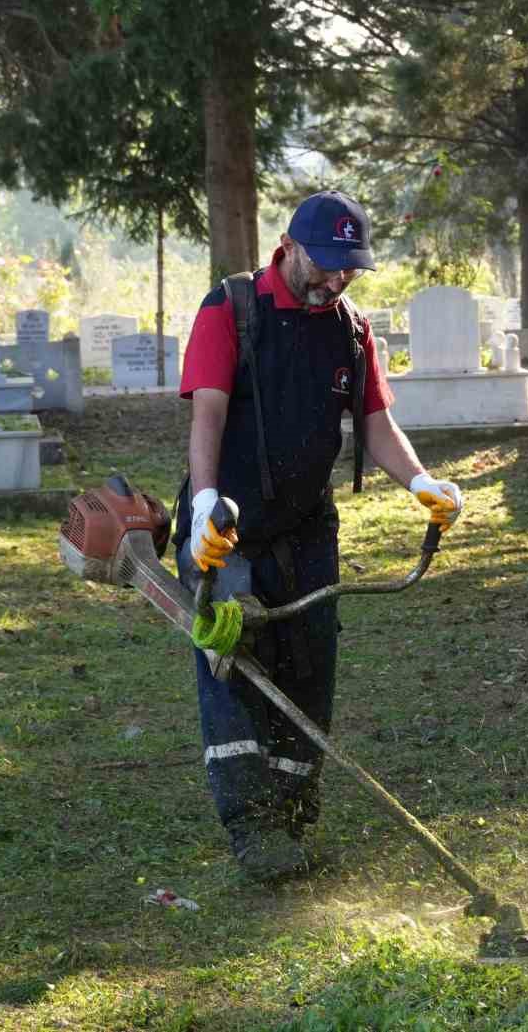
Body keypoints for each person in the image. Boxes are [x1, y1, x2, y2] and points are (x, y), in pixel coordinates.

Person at [173, 190, 464, 882]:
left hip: (308, 531)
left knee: (309, 666)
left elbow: (373, 424)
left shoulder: (351, 329)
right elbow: (207, 417)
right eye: (327, 264)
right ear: (290, 245)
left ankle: (295, 810)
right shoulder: (231, 311)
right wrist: (205, 506)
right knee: (235, 664)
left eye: (349, 268)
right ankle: (252, 826)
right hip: (228, 532)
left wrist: (422, 482)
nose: (336, 279)